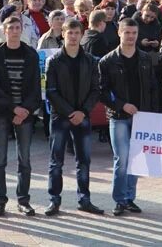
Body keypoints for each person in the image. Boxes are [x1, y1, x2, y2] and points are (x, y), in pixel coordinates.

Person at [98, 18, 158, 216]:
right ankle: (119, 199)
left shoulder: (145, 59)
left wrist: (151, 114)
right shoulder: (107, 61)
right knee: (122, 158)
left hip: (142, 116)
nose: (131, 36)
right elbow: (103, 92)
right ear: (119, 33)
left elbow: (152, 88)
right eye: (127, 33)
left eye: (134, 33)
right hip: (118, 116)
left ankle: (130, 198)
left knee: (136, 159)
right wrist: (122, 105)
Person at [44, 18, 104, 216]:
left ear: (81, 35)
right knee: (56, 161)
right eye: (69, 33)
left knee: (84, 160)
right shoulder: (53, 60)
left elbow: (96, 90)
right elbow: (51, 91)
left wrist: (83, 111)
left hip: (83, 115)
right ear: (63, 34)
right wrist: (70, 112)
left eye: (77, 33)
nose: (73, 36)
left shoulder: (90, 60)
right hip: (60, 116)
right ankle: (54, 200)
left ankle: (84, 199)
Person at [0, 15, 41, 217]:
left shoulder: (31, 54)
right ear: (5, 31)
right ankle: (0, 200)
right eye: (11, 28)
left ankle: (23, 200)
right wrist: (13, 109)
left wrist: (24, 109)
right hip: (2, 113)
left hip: (25, 113)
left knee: (24, 159)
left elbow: (36, 87)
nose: (15, 31)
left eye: (18, 27)